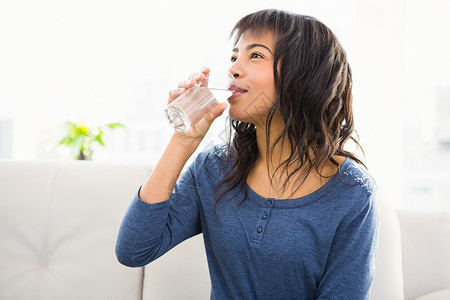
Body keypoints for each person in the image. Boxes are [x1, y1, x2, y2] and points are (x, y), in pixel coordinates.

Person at [116, 9, 379, 300]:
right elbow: (134, 249)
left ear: (303, 75)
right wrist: (182, 141)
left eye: (255, 56)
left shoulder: (352, 193)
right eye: (234, 57)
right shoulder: (214, 168)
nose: (233, 69)